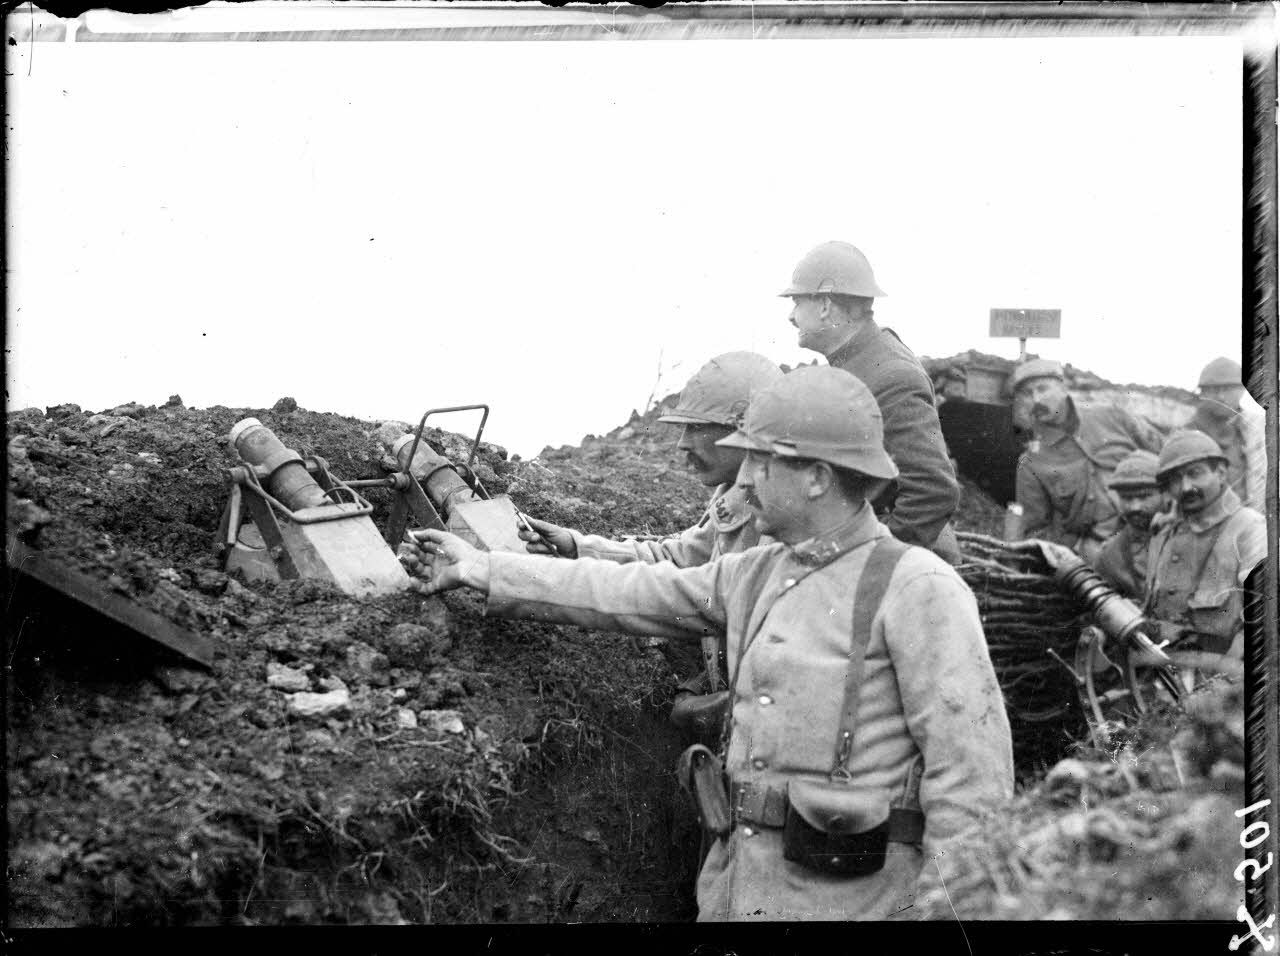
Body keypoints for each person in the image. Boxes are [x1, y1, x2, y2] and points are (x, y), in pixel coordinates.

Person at [403, 366, 1014, 921]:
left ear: (818, 479)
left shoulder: (919, 588)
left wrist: (946, 914)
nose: (742, 480)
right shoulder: (757, 571)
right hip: (735, 893)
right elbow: (629, 591)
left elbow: (971, 785)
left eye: (761, 464)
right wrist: (479, 568)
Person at [517, 351, 783, 739]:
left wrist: (729, 705)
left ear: (748, 432)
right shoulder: (736, 494)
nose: (682, 444)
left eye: (697, 429)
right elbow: (678, 559)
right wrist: (577, 548)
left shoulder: (786, 526)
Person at [781, 241, 961, 563]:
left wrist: (865, 561)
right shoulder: (858, 360)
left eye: (797, 302)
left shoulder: (891, 376)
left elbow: (933, 492)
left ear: (824, 305)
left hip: (904, 570)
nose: (791, 317)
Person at [1012, 358, 1163, 563]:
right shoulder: (1031, 463)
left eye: (1042, 389)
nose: (1036, 399)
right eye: (1027, 394)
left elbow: (1169, 456)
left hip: (1156, 535)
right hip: (1097, 555)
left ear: (1063, 388)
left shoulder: (1113, 416)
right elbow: (1035, 531)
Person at [1144, 429, 1267, 665]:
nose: (1185, 487)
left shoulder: (1249, 528)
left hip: (1225, 676)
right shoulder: (1164, 533)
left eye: (1195, 473)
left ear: (1220, 473)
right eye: (1175, 480)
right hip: (1162, 670)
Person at [1186, 357, 1266, 512]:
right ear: (1203, 393)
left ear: (1242, 390)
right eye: (1214, 390)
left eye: (1228, 389)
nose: (1221, 397)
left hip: (1257, 515)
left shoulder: (1259, 427)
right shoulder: (1188, 432)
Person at [1093, 450, 1166, 600]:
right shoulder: (1111, 556)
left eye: (1144, 496)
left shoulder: (1192, 535)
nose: (1134, 507)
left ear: (1165, 493)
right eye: (1126, 498)